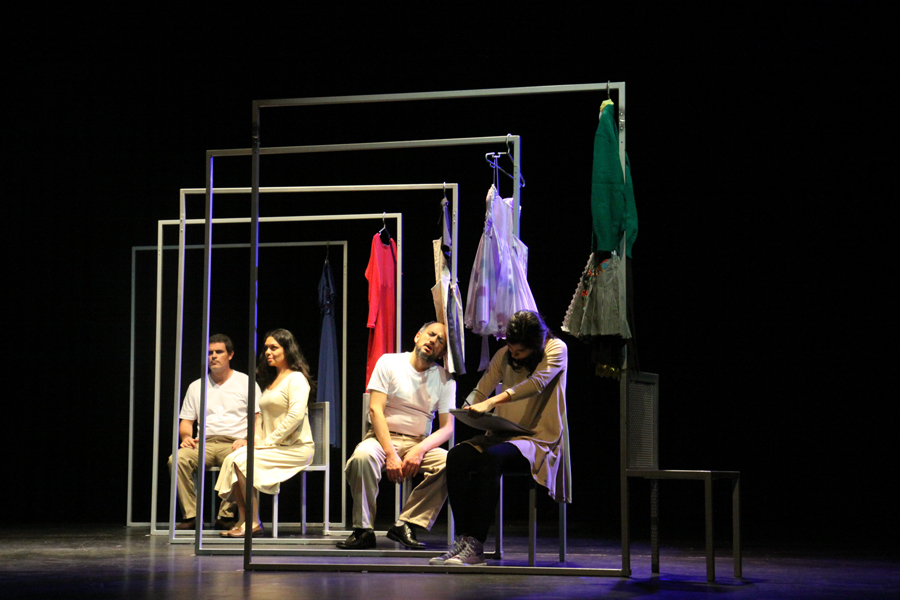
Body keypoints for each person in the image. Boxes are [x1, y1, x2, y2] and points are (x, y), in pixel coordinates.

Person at [431, 310, 570, 566]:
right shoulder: (504, 354)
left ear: (536, 343)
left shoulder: (556, 349)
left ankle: (476, 545)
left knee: (491, 458)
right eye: (511, 349)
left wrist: (491, 403)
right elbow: (482, 388)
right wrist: (468, 408)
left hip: (537, 439)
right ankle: (464, 539)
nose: (513, 355)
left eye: (520, 351)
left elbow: (536, 383)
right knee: (457, 456)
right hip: (504, 434)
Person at [338, 322, 456, 550]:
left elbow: (447, 428)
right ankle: (363, 530)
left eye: (440, 340)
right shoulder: (389, 362)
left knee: (451, 462)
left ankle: (407, 524)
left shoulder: (445, 379)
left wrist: (419, 450)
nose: (433, 341)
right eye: (431, 334)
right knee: (362, 457)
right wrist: (391, 453)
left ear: (442, 352)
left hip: (419, 442)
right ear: (418, 336)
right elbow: (375, 409)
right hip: (382, 439)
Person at [215, 329, 316, 538]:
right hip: (273, 446)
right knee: (233, 458)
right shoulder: (273, 380)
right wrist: (255, 441)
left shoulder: (296, 379)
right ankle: (243, 519)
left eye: (274, 348)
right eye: (266, 348)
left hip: (295, 448)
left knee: (243, 461)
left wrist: (269, 441)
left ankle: (253, 522)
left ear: (287, 350)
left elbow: (295, 416)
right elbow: (261, 418)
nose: (268, 352)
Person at [168, 334, 261, 530]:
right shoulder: (196, 386)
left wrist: (247, 439)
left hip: (234, 443)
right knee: (177, 459)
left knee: (241, 461)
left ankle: (225, 515)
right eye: (210, 353)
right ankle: (191, 515)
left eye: (219, 352)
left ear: (230, 355)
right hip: (205, 443)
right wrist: (186, 437)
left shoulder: (245, 382)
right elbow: (186, 421)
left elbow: (258, 419)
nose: (214, 356)